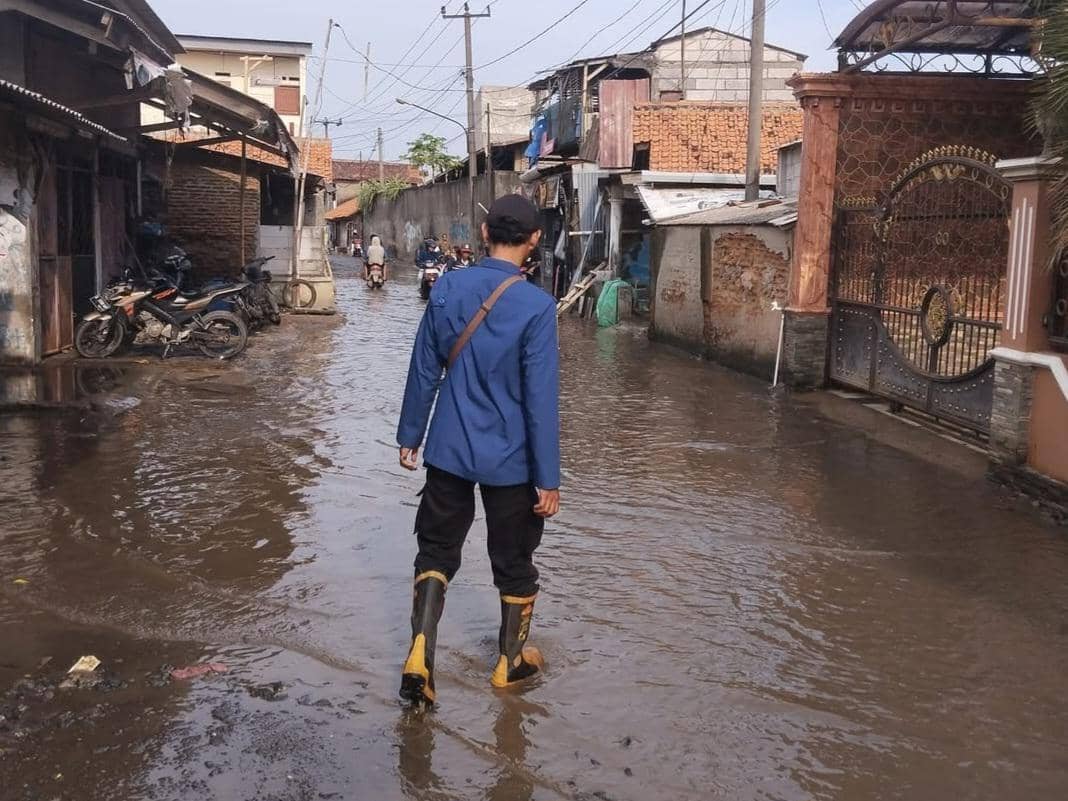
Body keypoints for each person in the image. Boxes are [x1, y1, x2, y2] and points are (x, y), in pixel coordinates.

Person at [396, 195, 560, 707]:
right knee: (514, 560)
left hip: (448, 448)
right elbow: (540, 399)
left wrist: (410, 437)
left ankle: (421, 651)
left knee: (436, 550)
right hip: (512, 460)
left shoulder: (447, 286)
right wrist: (548, 477)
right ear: (534, 240)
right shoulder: (537, 306)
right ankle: (509, 662)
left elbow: (425, 367)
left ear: (485, 231)